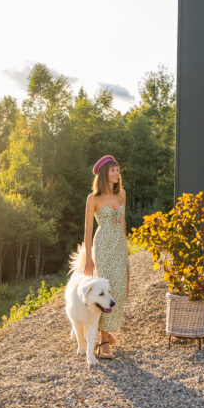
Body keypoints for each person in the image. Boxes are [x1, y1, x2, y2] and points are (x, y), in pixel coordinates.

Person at [82, 154, 129, 360]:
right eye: (112, 170)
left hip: (119, 248)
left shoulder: (122, 194)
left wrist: (127, 251)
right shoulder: (93, 198)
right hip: (103, 248)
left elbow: (124, 223)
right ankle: (103, 343)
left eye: (117, 170)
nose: (117, 173)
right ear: (103, 174)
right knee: (106, 293)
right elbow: (88, 229)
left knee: (120, 290)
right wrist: (89, 258)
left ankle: (107, 333)